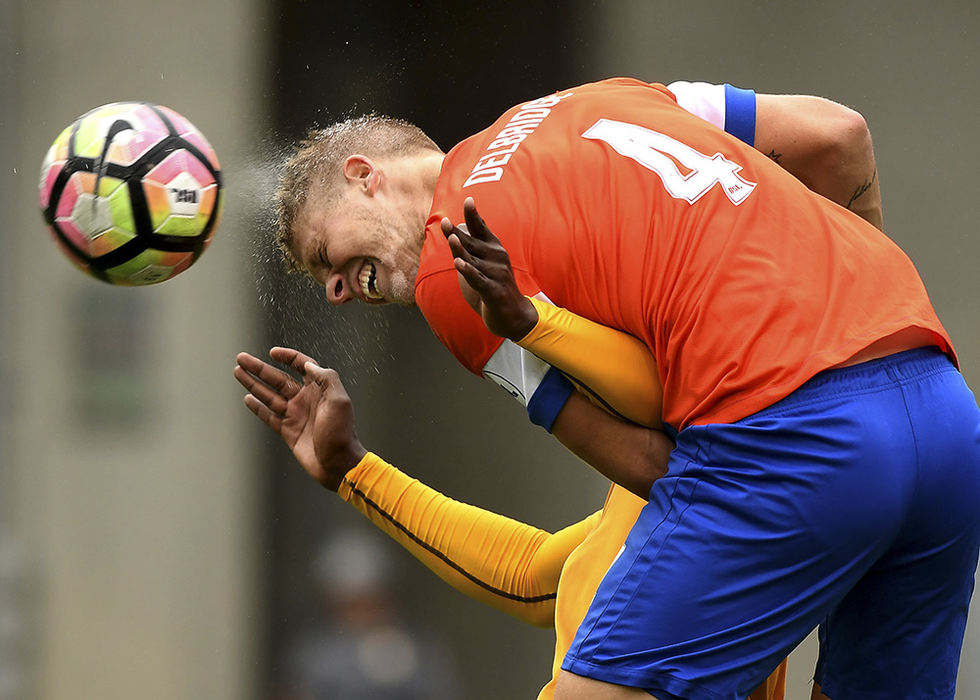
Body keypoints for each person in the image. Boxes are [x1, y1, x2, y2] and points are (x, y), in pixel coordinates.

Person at [244, 77, 980, 699]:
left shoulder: (454, 275)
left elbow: (652, 469)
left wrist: (533, 327)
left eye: (324, 256)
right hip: (942, 407)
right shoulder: (604, 97)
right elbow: (837, 134)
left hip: (794, 438)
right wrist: (858, 316)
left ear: (364, 175)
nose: (336, 290)